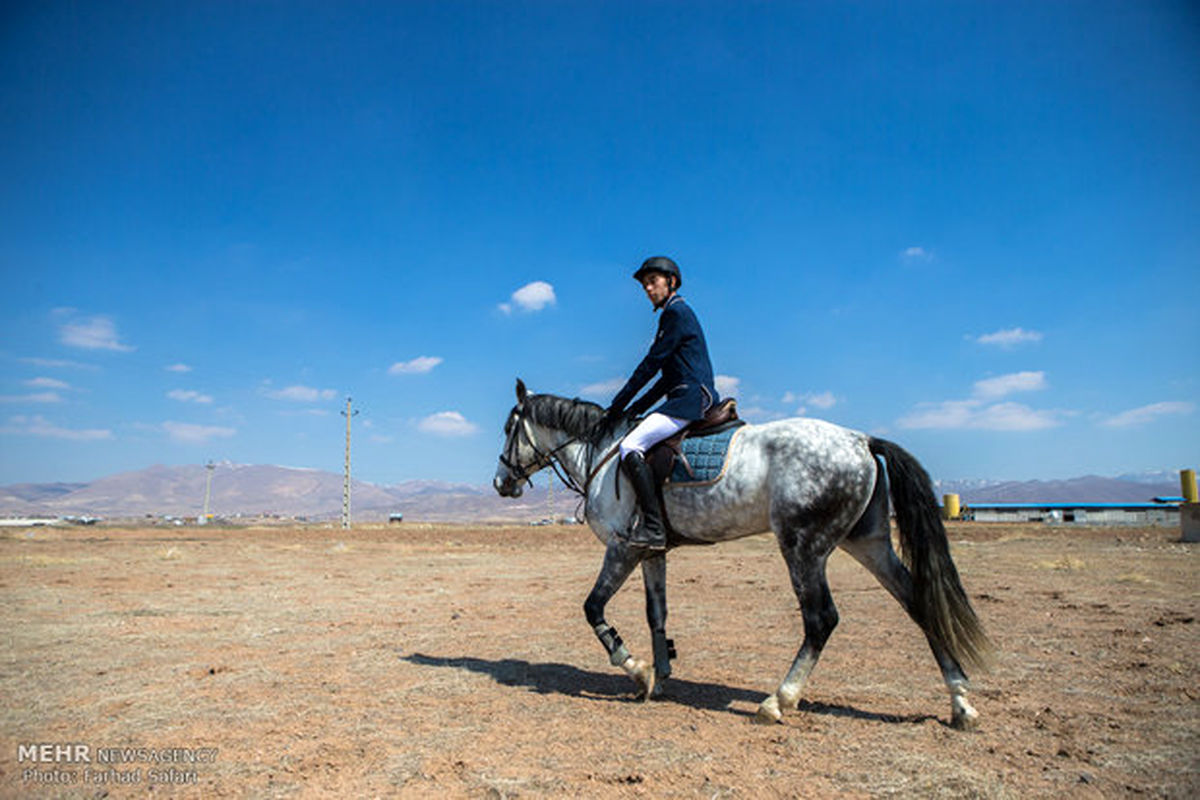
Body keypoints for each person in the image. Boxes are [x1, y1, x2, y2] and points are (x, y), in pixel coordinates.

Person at [603, 256, 719, 550]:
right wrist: (635, 409)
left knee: (630, 446)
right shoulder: (673, 314)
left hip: (690, 400)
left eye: (652, 282)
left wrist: (617, 406)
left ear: (672, 282)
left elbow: (651, 364)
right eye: (645, 285)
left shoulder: (676, 314)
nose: (648, 288)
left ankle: (654, 527)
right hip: (683, 394)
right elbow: (665, 379)